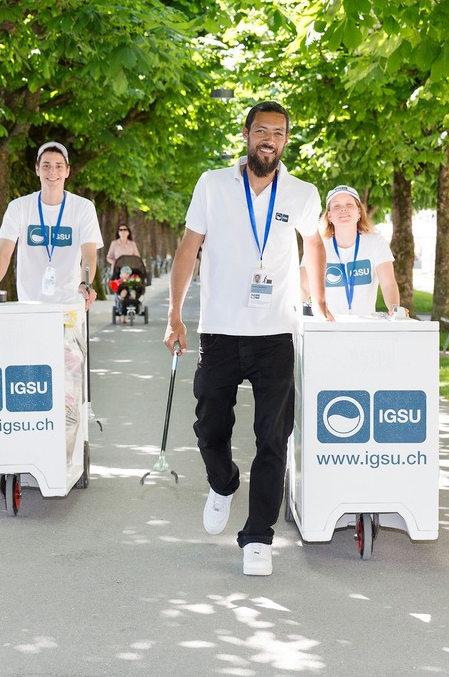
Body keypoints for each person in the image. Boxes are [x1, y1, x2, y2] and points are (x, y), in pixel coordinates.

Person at [164, 100, 330, 577]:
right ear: (245, 133)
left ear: (286, 140)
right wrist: (175, 315)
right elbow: (187, 250)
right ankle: (223, 482)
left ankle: (258, 536)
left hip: (275, 333)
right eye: (262, 131)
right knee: (209, 428)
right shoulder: (213, 184)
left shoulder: (301, 192)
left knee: (273, 438)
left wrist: (317, 301)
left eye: (278, 133)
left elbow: (313, 244)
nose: (269, 140)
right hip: (218, 330)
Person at [0, 142, 102, 309]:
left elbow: (89, 254)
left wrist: (85, 284)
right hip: (30, 304)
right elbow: (4, 252)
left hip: (70, 303)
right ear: (37, 169)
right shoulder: (19, 207)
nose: (52, 171)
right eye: (46, 165)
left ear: (67, 171)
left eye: (59, 166)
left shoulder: (83, 207)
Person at [301, 184, 401, 316]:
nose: (343, 209)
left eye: (349, 204)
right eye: (336, 206)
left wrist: (395, 310)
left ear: (359, 213)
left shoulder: (375, 241)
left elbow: (388, 283)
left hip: (365, 327)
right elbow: (303, 288)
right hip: (328, 326)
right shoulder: (317, 245)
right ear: (329, 216)